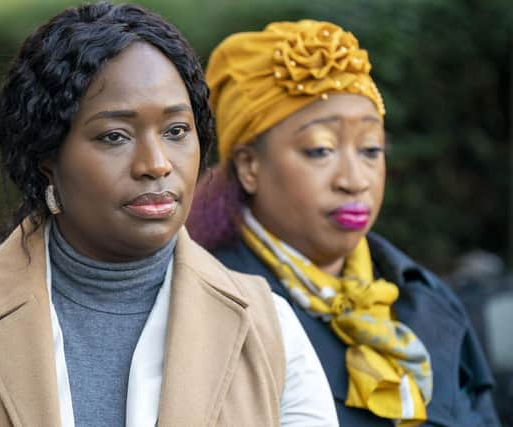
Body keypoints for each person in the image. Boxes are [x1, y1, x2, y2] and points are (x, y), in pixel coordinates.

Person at [0, 3, 338, 427]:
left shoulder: (269, 327)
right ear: (46, 156)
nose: (156, 163)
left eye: (177, 130)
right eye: (115, 136)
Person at [187, 19, 501, 427]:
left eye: (371, 149)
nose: (354, 180)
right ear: (249, 167)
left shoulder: (427, 297)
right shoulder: (209, 309)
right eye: (320, 150)